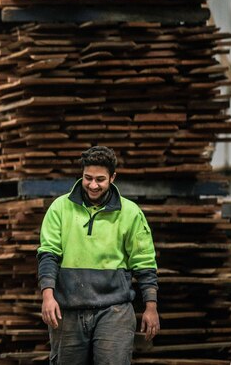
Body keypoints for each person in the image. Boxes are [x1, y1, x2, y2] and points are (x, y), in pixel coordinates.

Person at [37, 146, 160, 365]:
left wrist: (151, 307)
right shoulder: (60, 208)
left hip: (115, 310)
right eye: (88, 178)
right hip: (68, 311)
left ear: (113, 177)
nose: (93, 185)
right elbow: (48, 255)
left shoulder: (130, 213)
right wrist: (48, 296)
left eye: (100, 179)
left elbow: (145, 263)